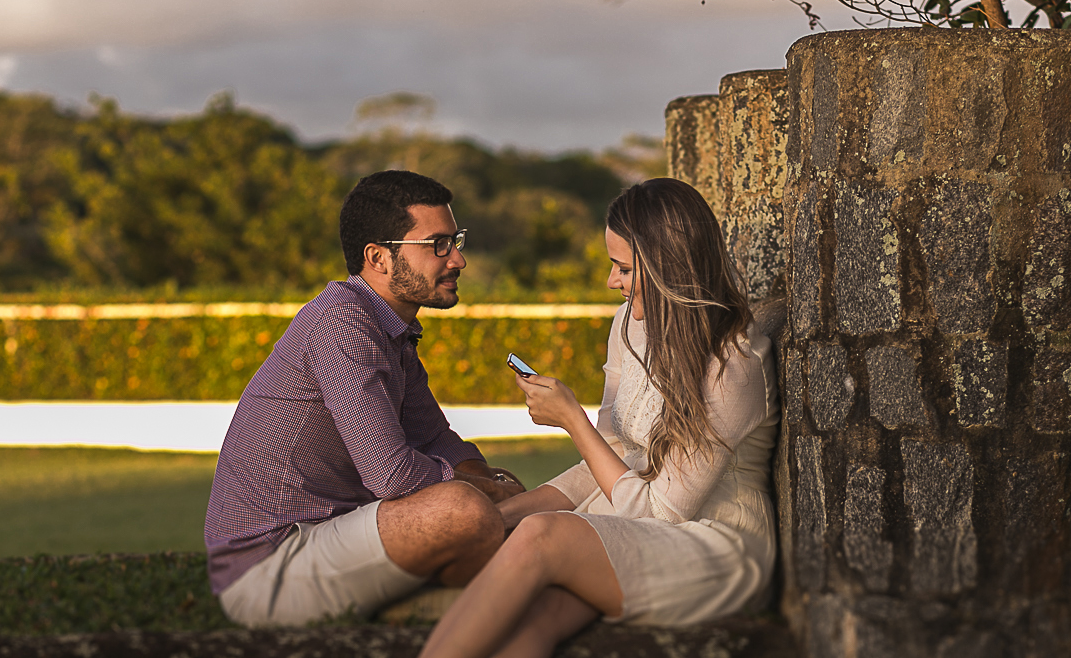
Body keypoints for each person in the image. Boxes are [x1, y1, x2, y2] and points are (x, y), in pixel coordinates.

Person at [419, 177, 780, 658]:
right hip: (637, 525)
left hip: (714, 546)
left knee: (542, 536)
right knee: (540, 613)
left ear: (669, 268)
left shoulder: (733, 363)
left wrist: (573, 421)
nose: (612, 281)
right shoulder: (629, 325)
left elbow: (659, 512)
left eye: (623, 268)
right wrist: (499, 517)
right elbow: (606, 461)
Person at [204, 170, 524, 627]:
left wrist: (493, 481)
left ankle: (420, 606)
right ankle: (425, 606)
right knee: (464, 511)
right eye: (437, 245)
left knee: (501, 507)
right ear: (378, 257)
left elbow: (436, 437)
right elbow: (391, 475)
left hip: (330, 536)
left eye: (455, 241)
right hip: (271, 566)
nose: (458, 259)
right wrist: (489, 492)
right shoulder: (342, 323)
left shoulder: (391, 329)